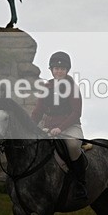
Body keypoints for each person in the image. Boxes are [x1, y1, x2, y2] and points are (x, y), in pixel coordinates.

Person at [31, 51, 87, 200]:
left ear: (67, 70)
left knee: (74, 147)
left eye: (62, 69)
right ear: (51, 70)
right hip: (47, 127)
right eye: (56, 68)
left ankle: (80, 182)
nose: (59, 71)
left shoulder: (73, 88)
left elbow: (76, 113)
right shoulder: (46, 87)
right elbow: (37, 112)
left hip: (69, 127)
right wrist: (29, 126)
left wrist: (60, 128)